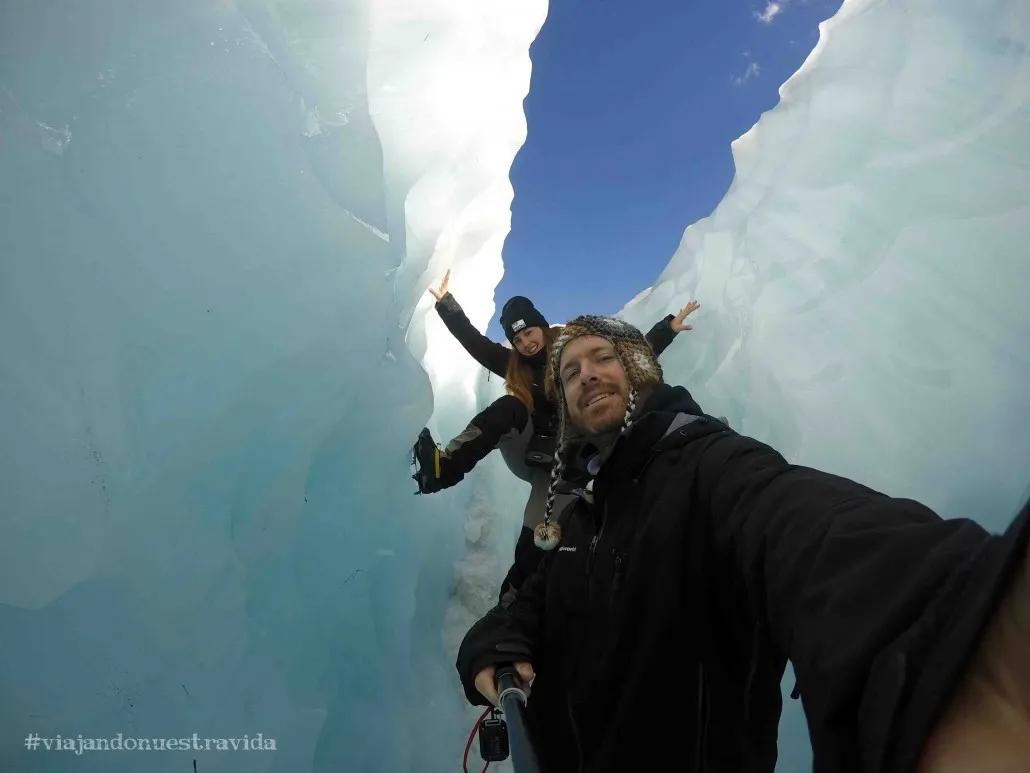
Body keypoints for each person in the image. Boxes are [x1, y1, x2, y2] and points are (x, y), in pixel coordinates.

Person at [456, 315, 1030, 772]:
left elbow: (795, 520)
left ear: (640, 372)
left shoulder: (708, 464)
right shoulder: (584, 509)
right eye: (571, 371)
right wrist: (494, 642)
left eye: (604, 357)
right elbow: (535, 601)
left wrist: (942, 629)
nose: (587, 375)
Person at [413, 271, 701, 604]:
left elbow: (622, 363)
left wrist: (667, 329)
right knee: (509, 406)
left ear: (541, 325)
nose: (525, 344)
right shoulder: (513, 364)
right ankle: (443, 468)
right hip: (531, 452)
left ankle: (518, 607)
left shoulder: (571, 354)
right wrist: (448, 306)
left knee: (536, 542)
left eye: (529, 333)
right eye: (517, 340)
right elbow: (475, 344)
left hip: (568, 464)